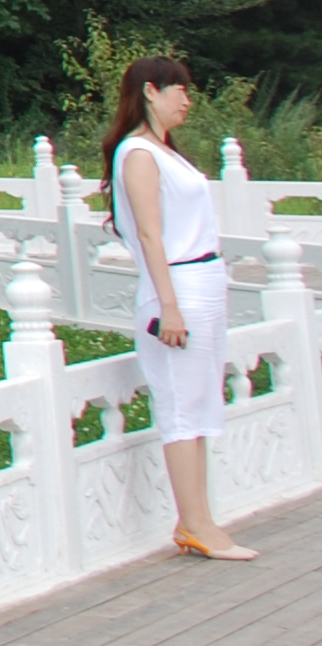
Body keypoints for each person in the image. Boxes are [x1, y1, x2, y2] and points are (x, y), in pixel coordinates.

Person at [109, 55, 257, 562]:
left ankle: (198, 519)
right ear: (151, 91)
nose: (187, 101)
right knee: (180, 407)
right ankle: (196, 523)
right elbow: (150, 233)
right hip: (176, 285)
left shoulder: (166, 153)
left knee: (199, 404)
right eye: (180, 91)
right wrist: (169, 307)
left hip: (202, 279)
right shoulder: (138, 155)